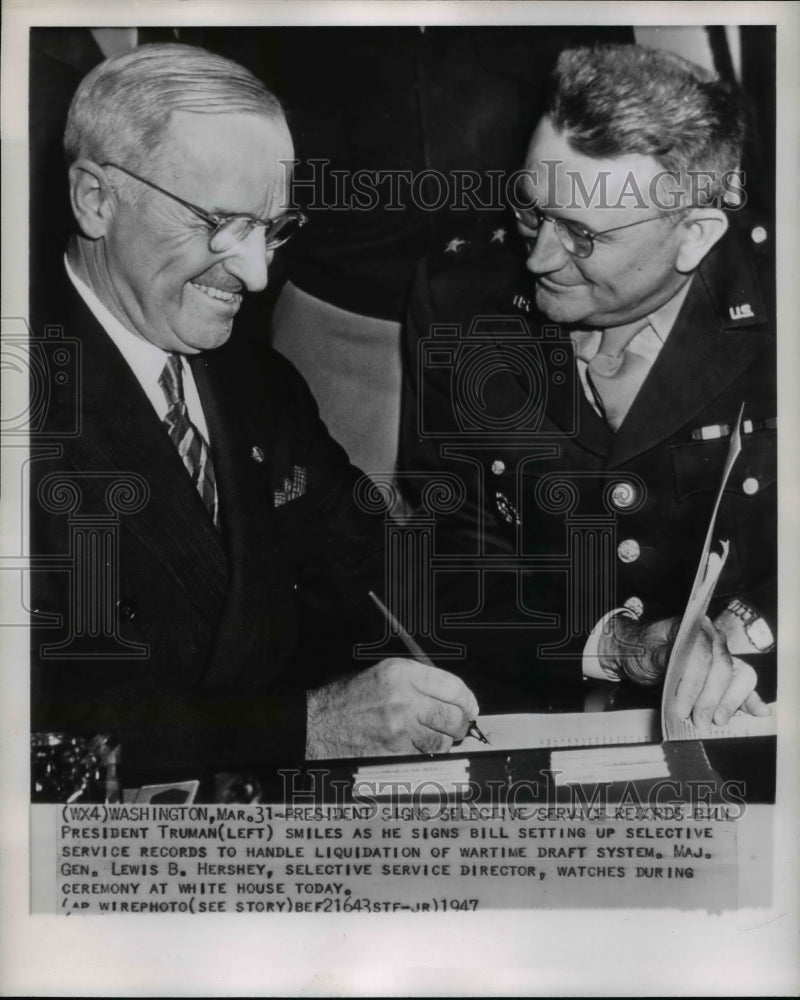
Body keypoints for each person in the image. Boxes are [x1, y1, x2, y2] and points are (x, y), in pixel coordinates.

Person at [28, 43, 479, 800]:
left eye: (273, 228)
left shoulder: (252, 378)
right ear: (95, 199)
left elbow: (382, 573)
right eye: (223, 223)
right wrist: (310, 725)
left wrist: (616, 641)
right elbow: (41, 735)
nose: (258, 274)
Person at [399, 44, 775, 727]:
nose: (539, 257)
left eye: (581, 235)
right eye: (529, 209)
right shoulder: (460, 300)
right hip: (545, 689)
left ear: (694, 234)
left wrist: (743, 637)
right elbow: (450, 560)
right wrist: (619, 647)